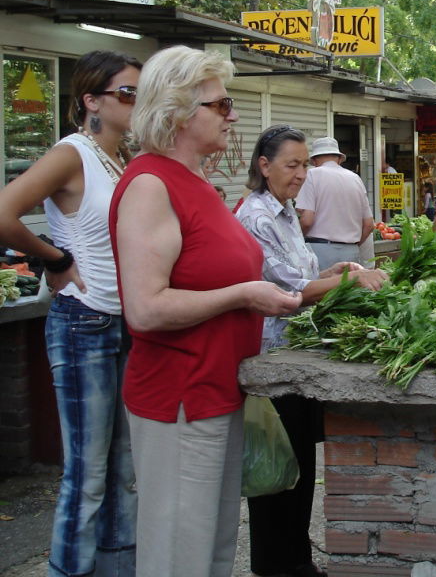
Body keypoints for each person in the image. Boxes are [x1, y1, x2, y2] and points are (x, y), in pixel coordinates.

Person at [110, 45, 302, 577]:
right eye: (220, 105)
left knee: (211, 551)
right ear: (176, 111)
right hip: (180, 397)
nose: (232, 115)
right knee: (177, 554)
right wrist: (243, 295)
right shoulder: (151, 184)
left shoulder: (197, 185)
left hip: (216, 393)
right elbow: (144, 310)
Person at [0, 51, 141, 577]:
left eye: (139, 93)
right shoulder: (73, 153)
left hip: (125, 322)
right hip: (84, 322)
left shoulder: (120, 158)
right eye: (127, 93)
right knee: (86, 475)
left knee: (124, 470)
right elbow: (3, 212)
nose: (136, 102)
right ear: (91, 101)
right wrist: (55, 258)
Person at [236, 125, 386, 577]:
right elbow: (289, 290)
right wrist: (348, 280)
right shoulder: (256, 216)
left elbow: (301, 272)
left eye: (305, 165)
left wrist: (335, 267)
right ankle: (277, 565)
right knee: (278, 471)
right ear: (264, 166)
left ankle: (297, 560)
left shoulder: (283, 211)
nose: (301, 174)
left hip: (295, 358)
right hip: (271, 361)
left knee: (299, 466)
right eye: (292, 165)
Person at [295, 137, 374, 268]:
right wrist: (352, 244)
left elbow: (307, 220)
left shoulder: (311, 175)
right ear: (338, 158)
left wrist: (296, 241)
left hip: (319, 250)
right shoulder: (355, 178)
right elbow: (369, 225)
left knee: (322, 288)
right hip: (351, 252)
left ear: (314, 160)